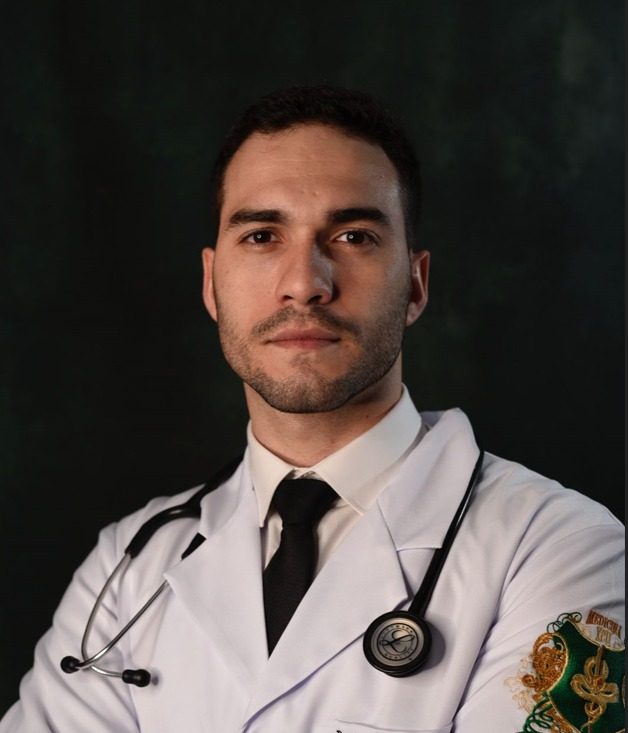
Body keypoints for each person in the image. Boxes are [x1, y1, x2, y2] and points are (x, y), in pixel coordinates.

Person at [1, 85, 624, 733]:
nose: (304, 283)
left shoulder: (564, 550)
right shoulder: (129, 564)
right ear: (211, 284)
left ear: (415, 285)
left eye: (353, 235)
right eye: (262, 235)